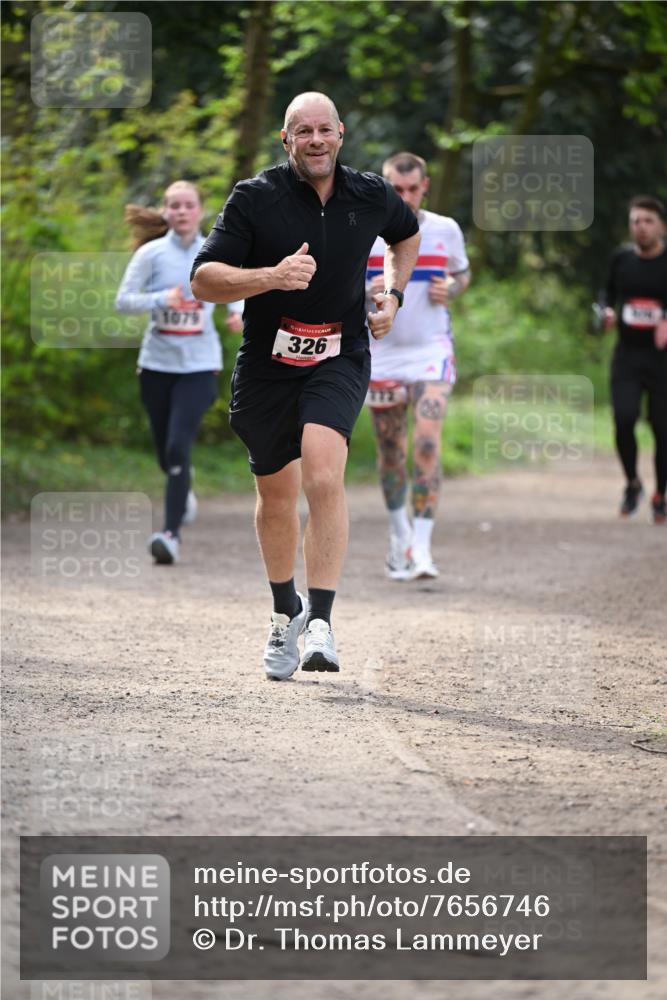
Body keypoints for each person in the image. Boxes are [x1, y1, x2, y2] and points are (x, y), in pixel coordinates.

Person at [191, 92, 420, 680]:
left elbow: (406, 234)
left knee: (323, 471)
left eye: (325, 130)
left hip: (339, 355)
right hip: (267, 365)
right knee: (275, 500)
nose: (316, 140)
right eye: (303, 132)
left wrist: (392, 294)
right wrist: (271, 277)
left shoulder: (369, 193)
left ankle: (320, 619)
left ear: (340, 133)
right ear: (286, 139)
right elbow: (205, 280)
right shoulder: (255, 198)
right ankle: (283, 610)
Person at [366, 152, 470, 580]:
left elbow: (462, 274)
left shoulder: (444, 229)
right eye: (397, 189)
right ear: (385, 187)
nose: (405, 197)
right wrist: (363, 290)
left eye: (412, 189)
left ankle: (423, 549)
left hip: (431, 350)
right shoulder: (366, 231)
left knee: (426, 443)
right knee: (392, 451)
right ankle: (399, 538)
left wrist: (452, 287)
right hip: (382, 352)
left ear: (424, 186)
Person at [115, 180, 222, 563]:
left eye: (188, 205)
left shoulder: (217, 250)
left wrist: (239, 314)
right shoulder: (151, 254)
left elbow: (239, 291)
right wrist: (163, 298)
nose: (180, 211)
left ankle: (170, 534)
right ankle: (183, 482)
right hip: (156, 366)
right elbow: (123, 301)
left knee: (178, 446)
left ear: (200, 210)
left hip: (199, 366)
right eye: (173, 205)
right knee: (165, 453)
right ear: (165, 212)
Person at [602, 195, 667, 524]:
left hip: (662, 362)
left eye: (647, 221)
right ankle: (632, 483)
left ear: (662, 227)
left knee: (662, 427)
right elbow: (606, 294)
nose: (640, 228)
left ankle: (661, 495)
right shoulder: (621, 259)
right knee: (624, 419)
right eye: (635, 222)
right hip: (627, 356)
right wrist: (606, 311)